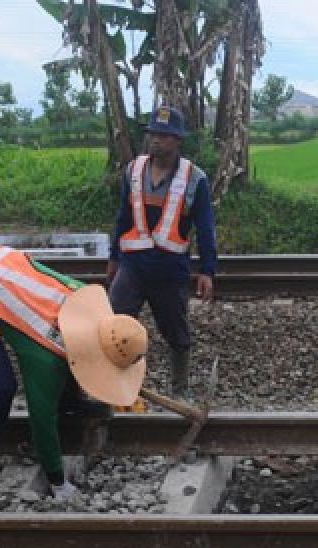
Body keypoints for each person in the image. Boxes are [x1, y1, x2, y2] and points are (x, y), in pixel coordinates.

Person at [0, 243, 148, 494]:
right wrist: (57, 479)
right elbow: (41, 417)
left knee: (66, 358)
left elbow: (76, 355)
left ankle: (68, 402)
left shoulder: (88, 302)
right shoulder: (45, 357)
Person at [107, 105, 218, 399]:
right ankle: (114, 386)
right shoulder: (134, 170)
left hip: (170, 270)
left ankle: (180, 389)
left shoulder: (195, 179)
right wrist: (113, 257)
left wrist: (207, 271)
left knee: (176, 330)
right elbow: (123, 217)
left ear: (178, 140)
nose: (157, 140)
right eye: (154, 134)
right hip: (133, 266)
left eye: (165, 136)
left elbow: (206, 229)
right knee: (115, 323)